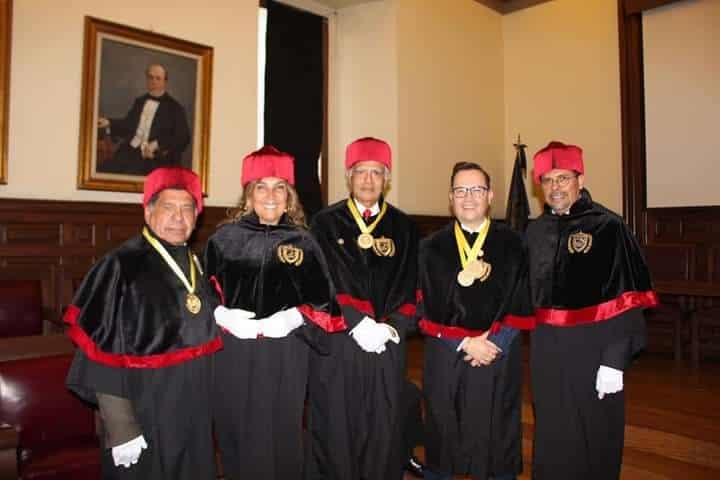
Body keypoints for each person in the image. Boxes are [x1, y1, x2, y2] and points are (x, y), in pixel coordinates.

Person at [65, 166, 222, 480]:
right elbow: (99, 354)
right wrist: (121, 427)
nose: (179, 217)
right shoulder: (120, 266)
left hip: (195, 413)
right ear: (149, 213)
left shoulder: (199, 264)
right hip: (145, 410)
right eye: (168, 207)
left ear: (197, 216)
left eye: (187, 209)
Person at [204, 146, 342, 480]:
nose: (270, 195)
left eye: (279, 187)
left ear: (289, 196)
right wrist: (222, 316)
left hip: (286, 352)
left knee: (283, 430)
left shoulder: (305, 241)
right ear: (248, 195)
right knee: (238, 428)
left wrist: (294, 317)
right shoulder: (223, 239)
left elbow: (325, 303)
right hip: (235, 351)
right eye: (261, 187)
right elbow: (201, 295)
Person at [526, 141, 659, 480]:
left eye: (564, 178)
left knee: (594, 433)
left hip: (595, 349)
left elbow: (629, 299)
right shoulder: (534, 231)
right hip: (547, 351)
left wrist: (615, 360)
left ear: (580, 180)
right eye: (548, 180)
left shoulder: (608, 227)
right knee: (553, 431)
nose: (555, 187)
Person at [307, 137, 419, 480]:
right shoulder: (325, 224)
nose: (368, 180)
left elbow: (414, 284)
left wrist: (394, 325)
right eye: (361, 172)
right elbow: (315, 282)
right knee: (336, 425)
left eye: (376, 172)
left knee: (382, 423)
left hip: (386, 342)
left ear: (387, 178)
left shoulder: (405, 227)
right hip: (339, 340)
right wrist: (355, 322)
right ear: (348, 176)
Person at [417, 162, 535, 480]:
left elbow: (522, 300)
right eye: (460, 190)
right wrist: (465, 341)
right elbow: (422, 305)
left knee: (496, 432)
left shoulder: (513, 244)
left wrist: (494, 343)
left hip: (499, 352)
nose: (468, 197)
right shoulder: (430, 248)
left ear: (490, 196)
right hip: (446, 353)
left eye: (476, 190)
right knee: (443, 429)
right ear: (450, 197)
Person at [98, 64, 191, 176]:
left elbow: (183, 137)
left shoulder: (175, 108)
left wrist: (157, 145)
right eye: (150, 77)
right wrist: (109, 122)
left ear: (165, 82)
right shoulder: (140, 101)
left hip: (155, 158)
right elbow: (128, 125)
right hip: (130, 151)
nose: (153, 81)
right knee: (103, 171)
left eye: (158, 78)